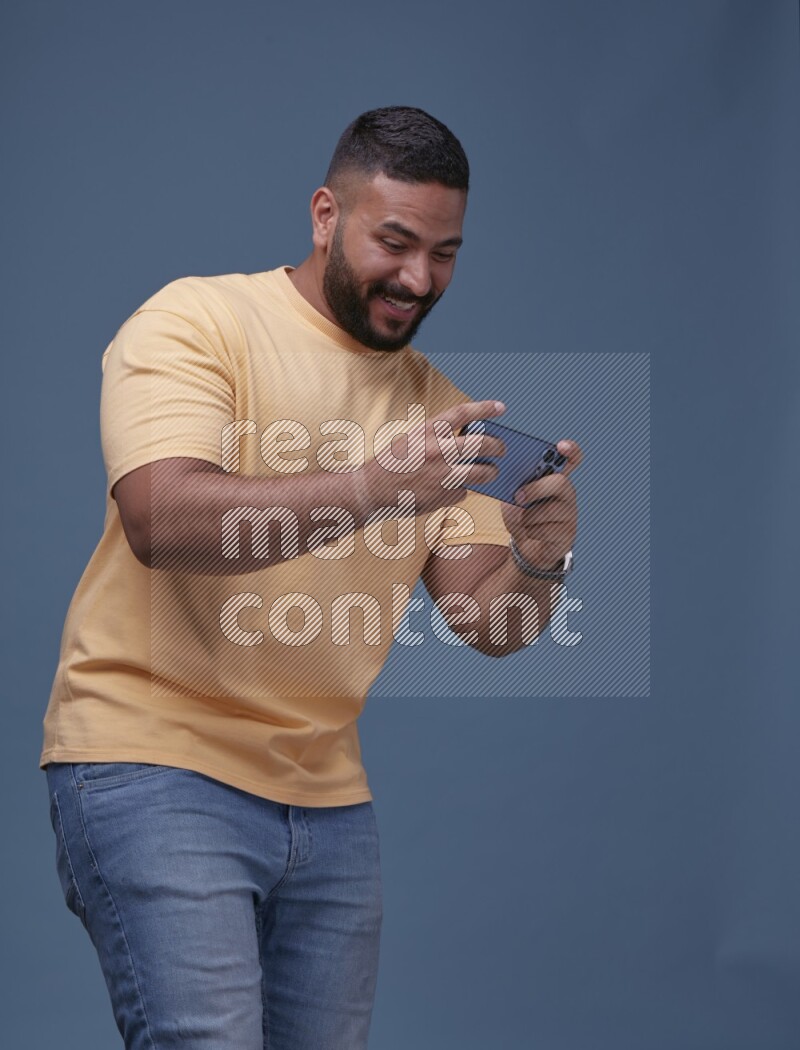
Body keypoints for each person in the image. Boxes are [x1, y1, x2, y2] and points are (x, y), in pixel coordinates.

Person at [41, 106, 581, 1050]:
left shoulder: (441, 414)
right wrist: (374, 486)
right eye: (396, 241)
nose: (418, 278)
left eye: (444, 253)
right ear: (326, 215)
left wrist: (539, 558)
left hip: (328, 804)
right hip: (156, 764)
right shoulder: (197, 320)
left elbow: (486, 620)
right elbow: (161, 519)